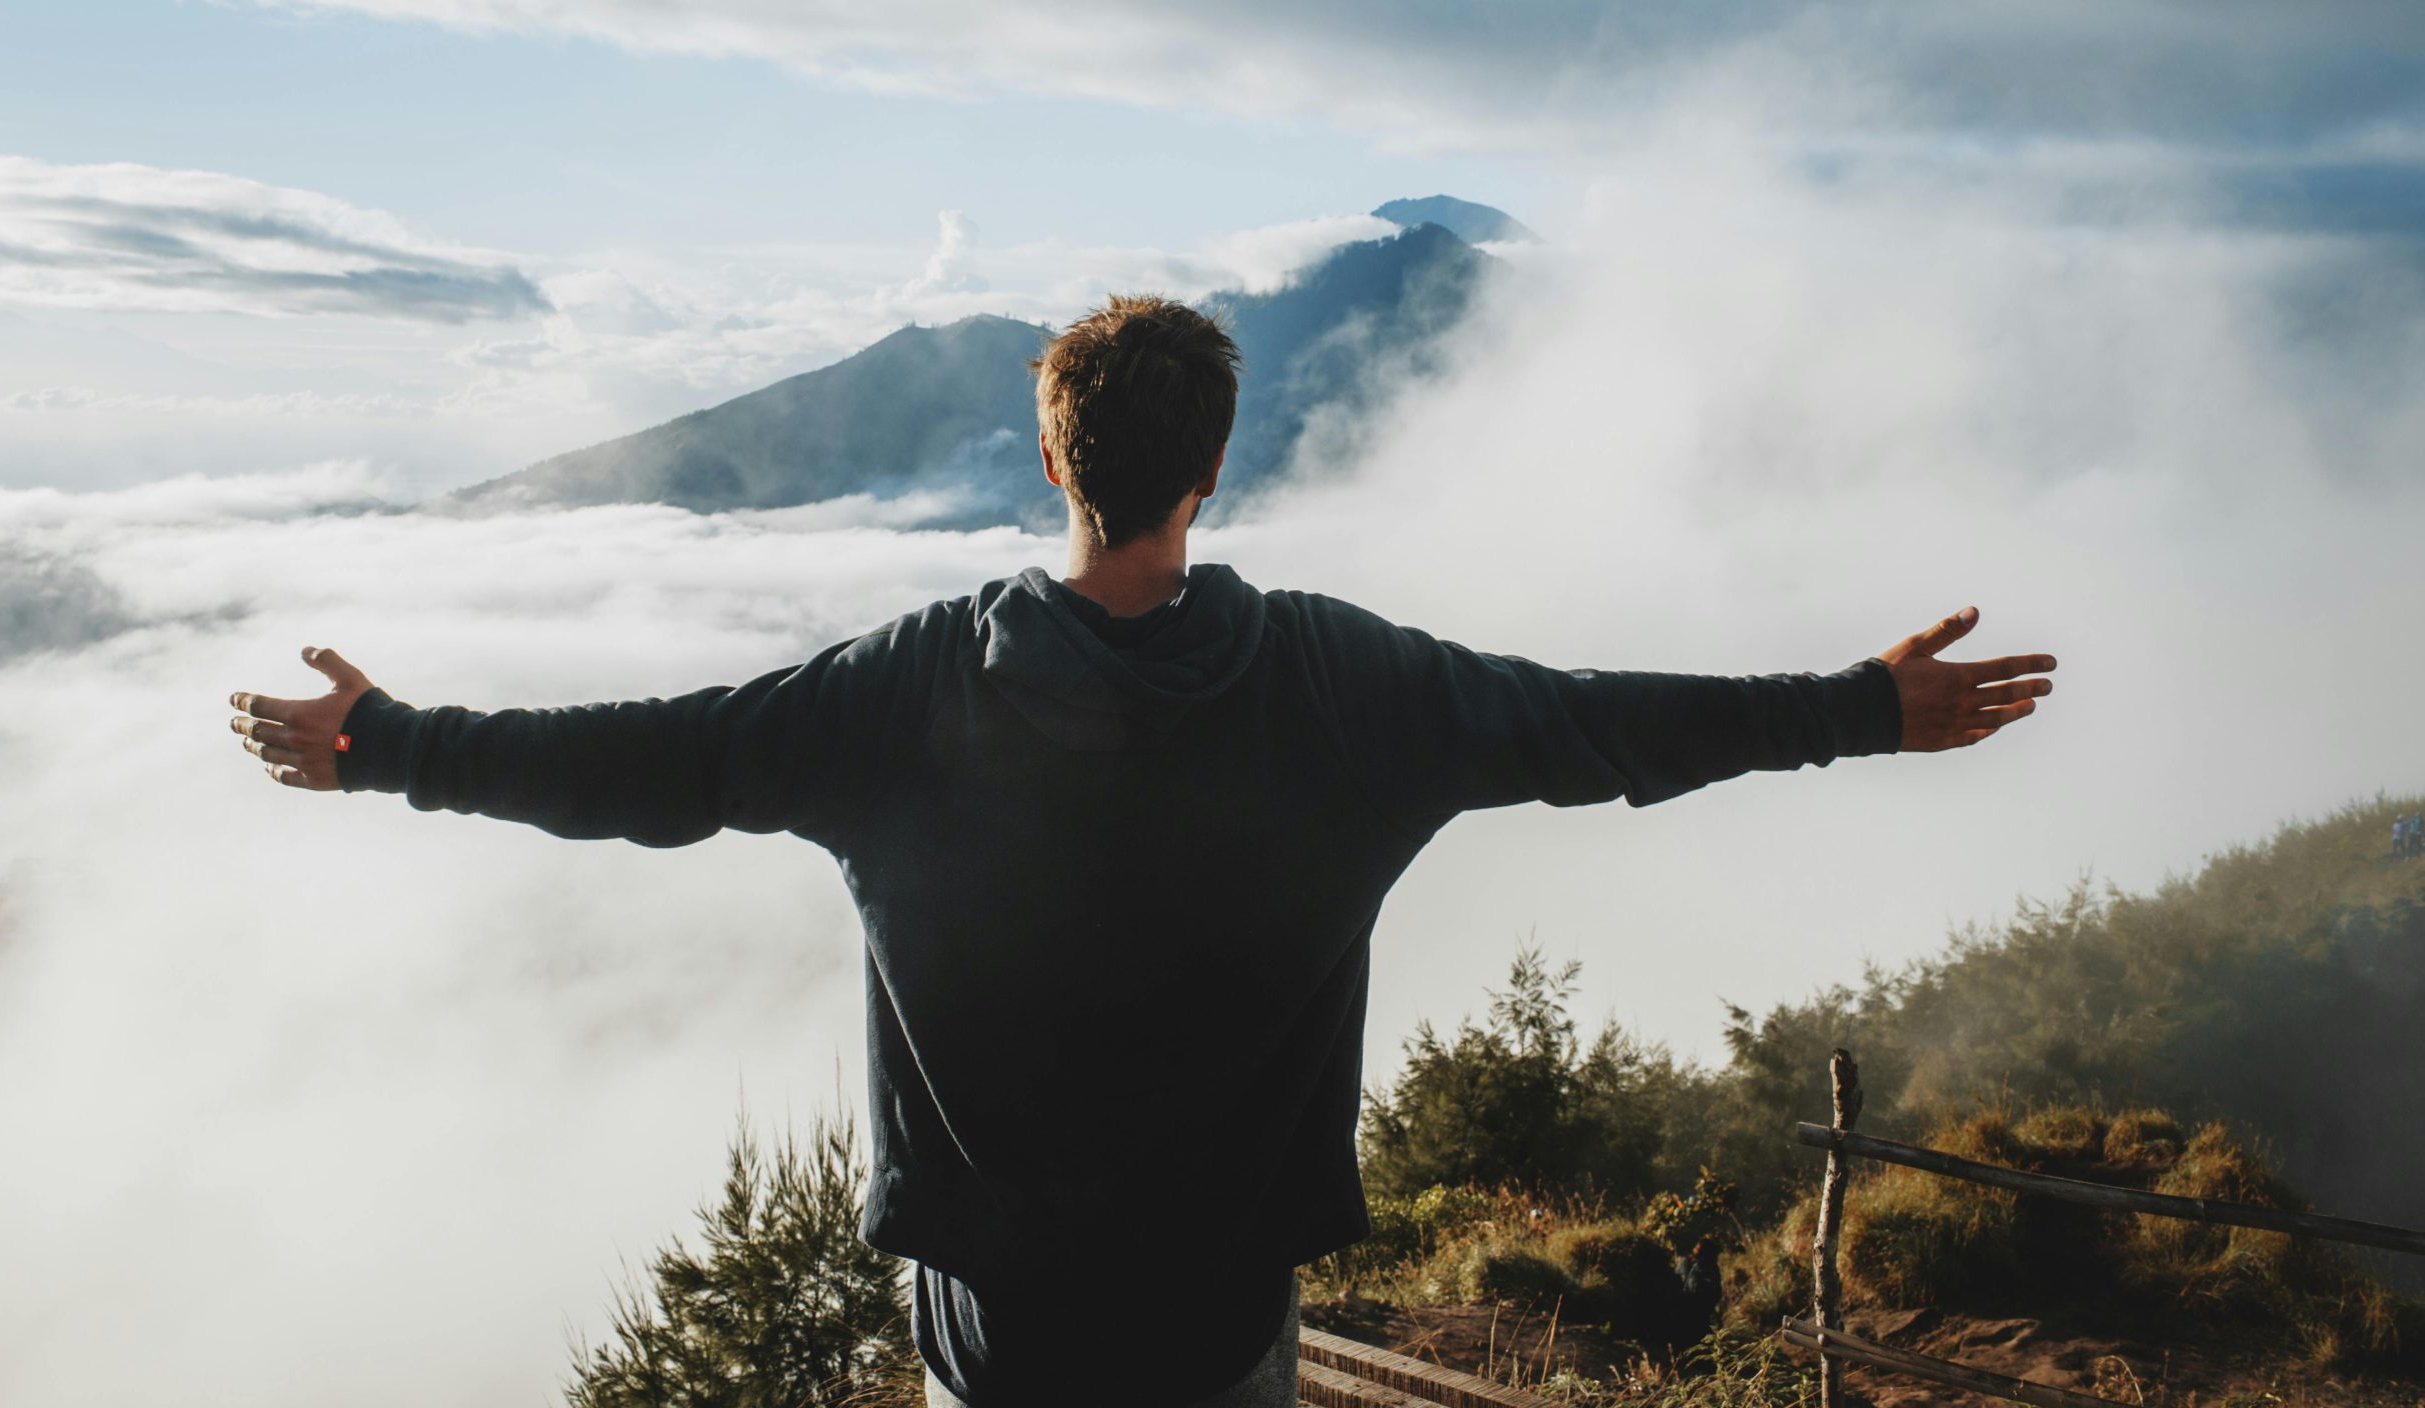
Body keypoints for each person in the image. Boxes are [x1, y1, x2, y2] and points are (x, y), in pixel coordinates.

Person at [226, 294, 2058, 1408]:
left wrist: (392, 747)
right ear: (1212, 475)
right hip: (1211, 1326)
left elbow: (660, 760)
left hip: (995, 1335)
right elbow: (1599, 725)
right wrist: (1859, 707)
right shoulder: (1352, 690)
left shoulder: (901, 698)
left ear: (1051, 461)